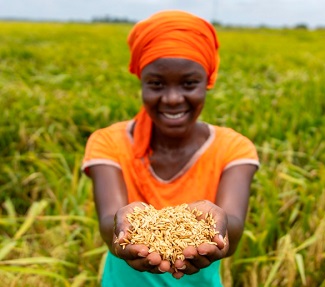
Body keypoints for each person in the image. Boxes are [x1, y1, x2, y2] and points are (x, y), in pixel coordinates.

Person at [82, 10, 259, 287]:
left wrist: (220, 226)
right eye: (156, 84)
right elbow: (109, 220)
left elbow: (232, 227)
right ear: (141, 82)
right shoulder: (108, 142)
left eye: (189, 83)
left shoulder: (233, 148)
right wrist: (121, 228)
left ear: (207, 82)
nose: (173, 99)